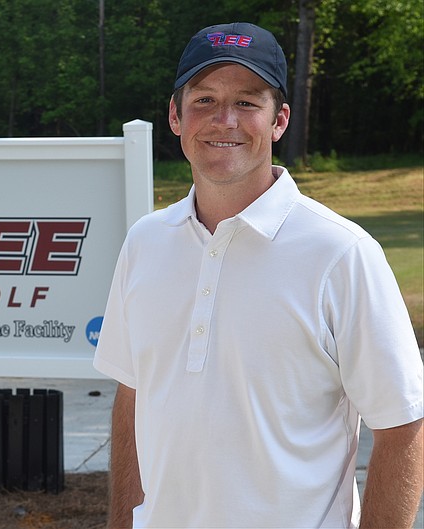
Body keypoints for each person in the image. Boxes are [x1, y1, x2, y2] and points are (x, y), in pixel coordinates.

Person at [93, 21, 423, 528]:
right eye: (204, 100)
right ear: (175, 117)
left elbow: (402, 428)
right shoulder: (145, 242)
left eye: (247, 102)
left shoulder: (341, 253)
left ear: (279, 121)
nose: (224, 120)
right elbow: (132, 394)